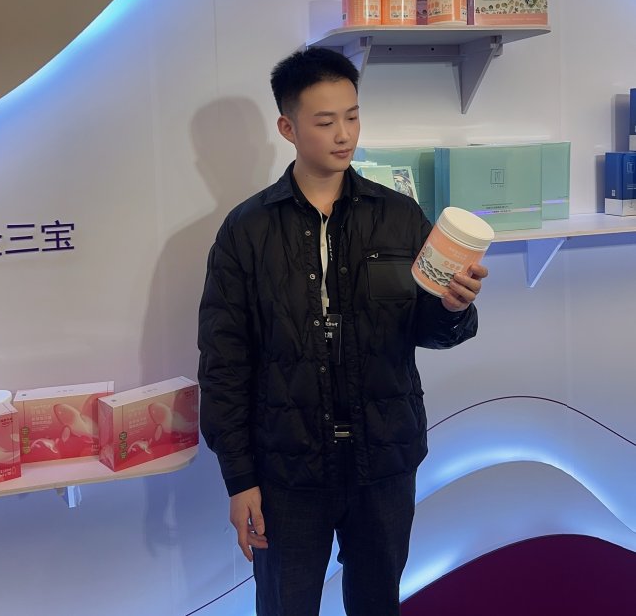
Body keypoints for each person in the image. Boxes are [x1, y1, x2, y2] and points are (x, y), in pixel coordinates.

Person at [198, 47, 488, 616]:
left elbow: (429, 329)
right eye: (325, 121)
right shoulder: (247, 230)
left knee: (378, 603)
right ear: (288, 128)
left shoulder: (399, 216)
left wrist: (455, 307)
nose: (344, 134)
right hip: (287, 469)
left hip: (384, 460)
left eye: (352, 116)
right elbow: (224, 362)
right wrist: (240, 479)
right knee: (285, 606)